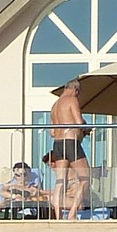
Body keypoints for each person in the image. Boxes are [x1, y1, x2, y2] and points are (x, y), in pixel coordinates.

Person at [47, 80, 91, 218]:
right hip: (70, 141)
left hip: (58, 143)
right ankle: (72, 213)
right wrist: (86, 126)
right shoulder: (72, 100)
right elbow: (78, 122)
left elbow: (52, 132)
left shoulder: (55, 105)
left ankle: (58, 215)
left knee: (60, 180)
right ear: (75, 90)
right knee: (85, 178)